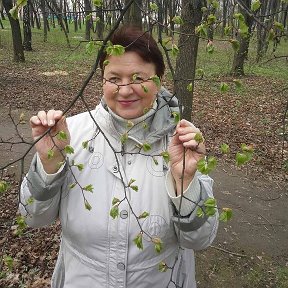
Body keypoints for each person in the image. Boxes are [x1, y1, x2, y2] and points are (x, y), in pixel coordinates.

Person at [20, 26, 218, 288]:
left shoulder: (181, 142)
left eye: (138, 78)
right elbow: (33, 217)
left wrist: (184, 183)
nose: (125, 90)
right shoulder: (71, 135)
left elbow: (199, 240)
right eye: (114, 78)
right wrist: (49, 164)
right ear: (101, 80)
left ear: (159, 79)